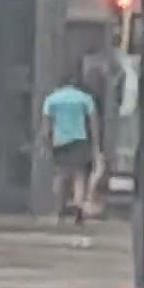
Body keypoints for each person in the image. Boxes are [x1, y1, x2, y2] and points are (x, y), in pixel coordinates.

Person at [39, 68, 101, 225]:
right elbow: (93, 122)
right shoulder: (84, 98)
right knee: (79, 176)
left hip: (60, 142)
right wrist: (96, 142)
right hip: (79, 140)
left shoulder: (51, 99)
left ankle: (59, 209)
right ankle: (78, 207)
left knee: (60, 175)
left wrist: (45, 143)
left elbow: (46, 125)